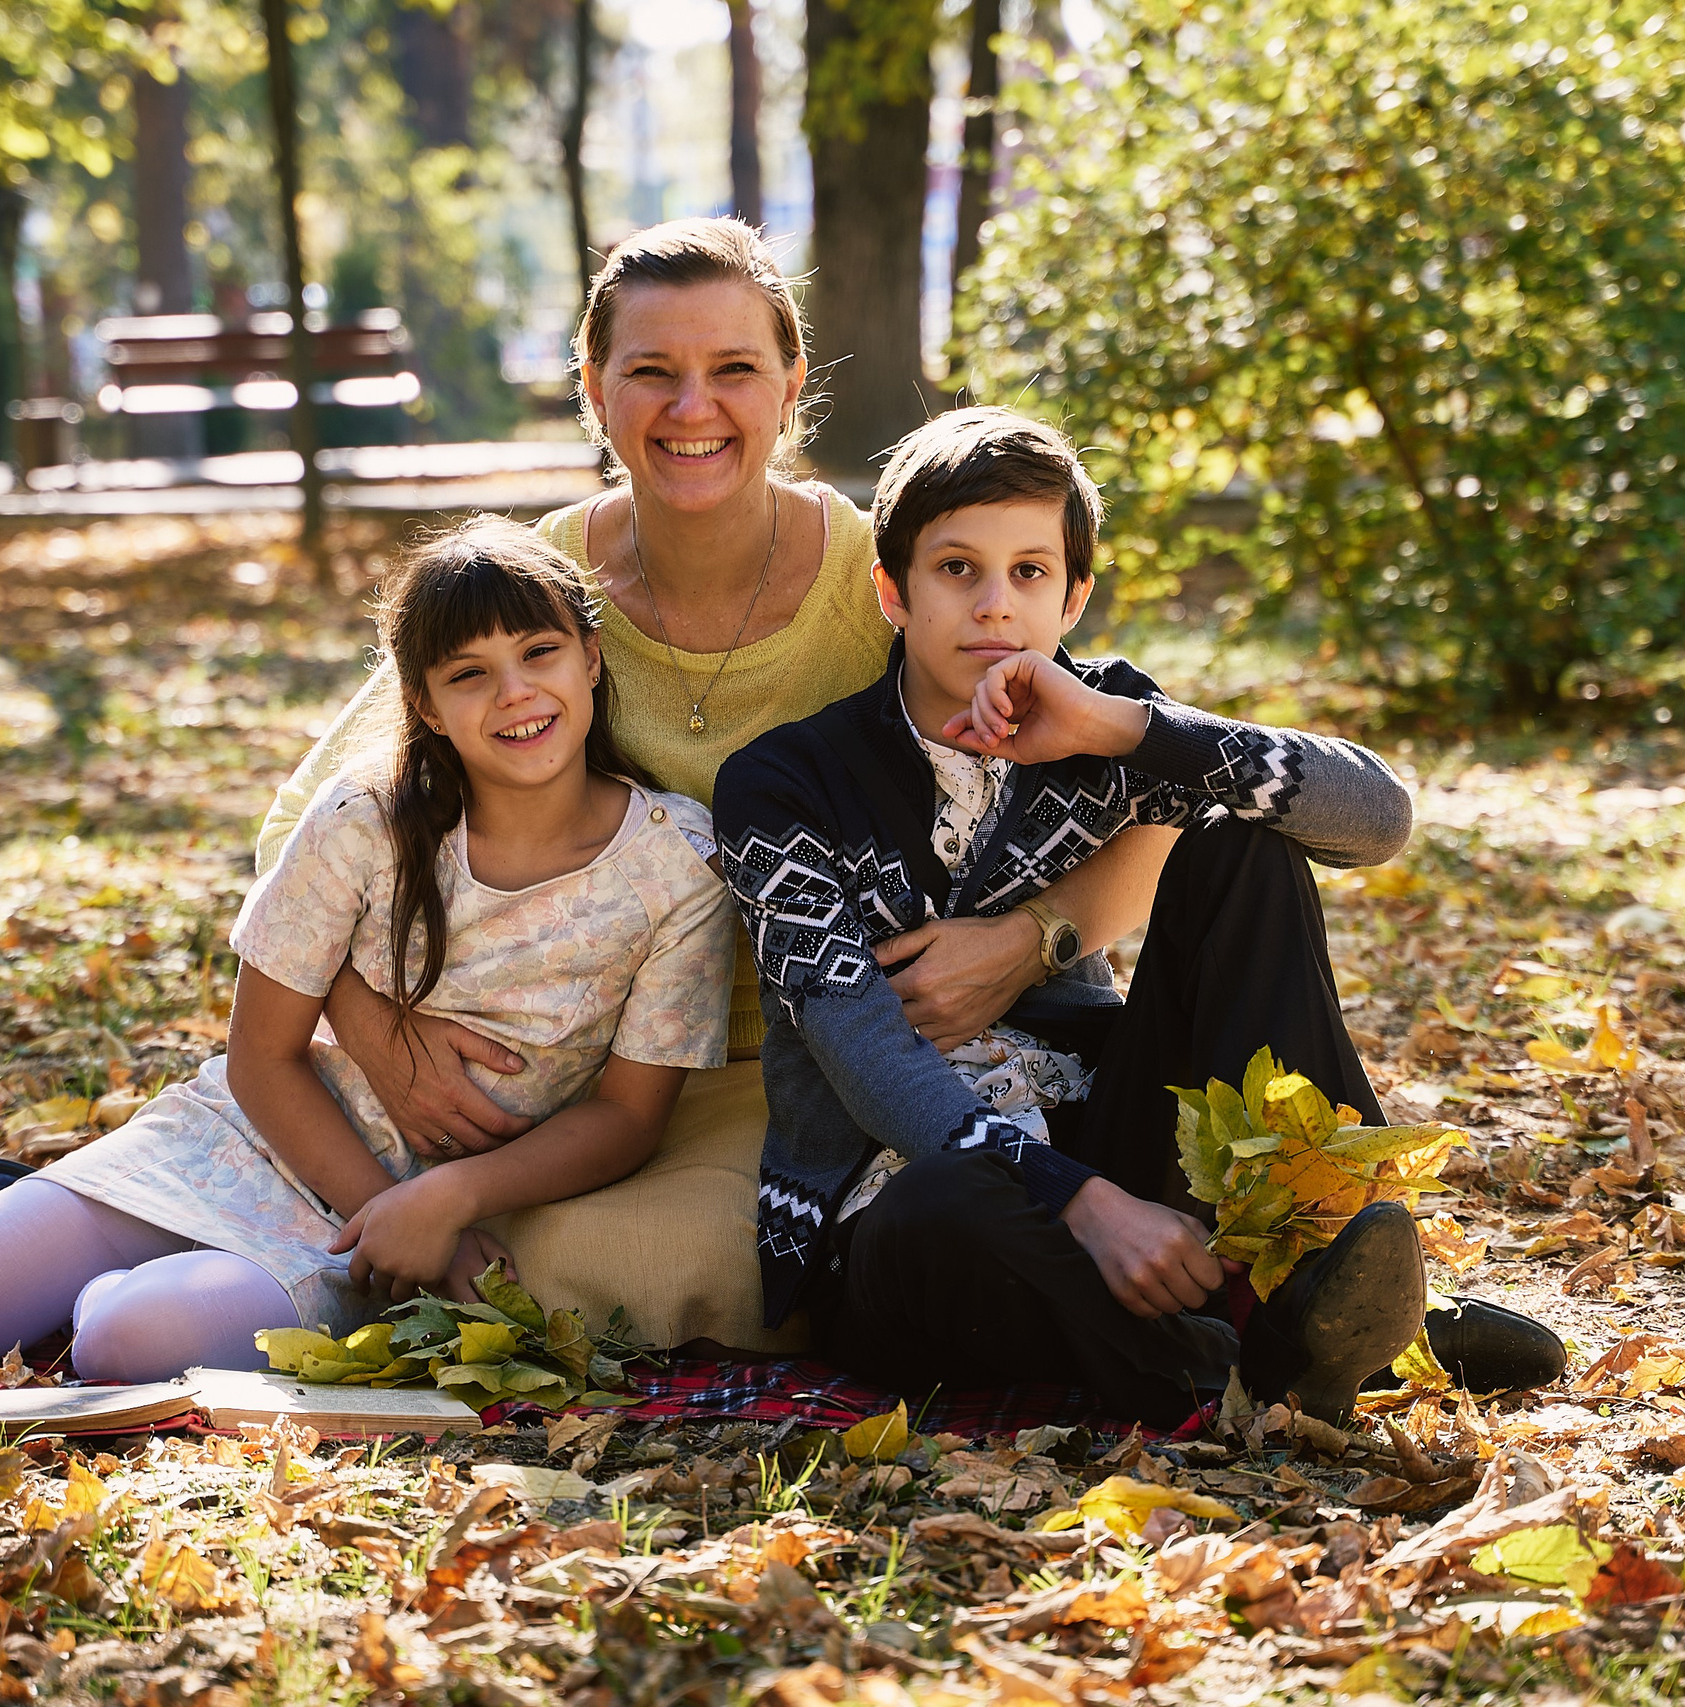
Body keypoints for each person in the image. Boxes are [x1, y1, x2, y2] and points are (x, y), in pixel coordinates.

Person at [252, 218, 1177, 1353]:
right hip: (575, 1078)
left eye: (734, 369)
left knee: (659, 1275)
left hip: (817, 1062)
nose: (693, 409)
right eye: (650, 373)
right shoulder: (537, 581)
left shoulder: (886, 578)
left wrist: (1032, 940)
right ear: (594, 390)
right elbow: (312, 833)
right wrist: (380, 1029)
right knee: (506, 1261)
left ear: (792, 385)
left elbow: (1145, 807)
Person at [714, 408, 1564, 1424]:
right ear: (891, 591)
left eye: (1030, 573)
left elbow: (1375, 821)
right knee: (937, 1209)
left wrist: (1124, 728)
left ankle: (1318, 1267)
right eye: (956, 570)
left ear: (1074, 595)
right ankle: (1253, 1354)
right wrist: (1079, 1200)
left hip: (1107, 1133)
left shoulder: (1109, 723)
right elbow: (858, 1051)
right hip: (914, 1211)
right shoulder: (781, 785)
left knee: (1242, 845)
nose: (995, 607)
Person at [0, 521, 736, 1381]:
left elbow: (627, 1116)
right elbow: (262, 1056)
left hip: (375, 1232)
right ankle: (100, 1237)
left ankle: (99, 1292)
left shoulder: (674, 866)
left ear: (591, 655)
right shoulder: (363, 824)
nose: (514, 693)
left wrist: (442, 1202)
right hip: (247, 1142)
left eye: (539, 653)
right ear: (424, 702)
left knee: (124, 1340)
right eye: (470, 674)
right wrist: (383, 1204)